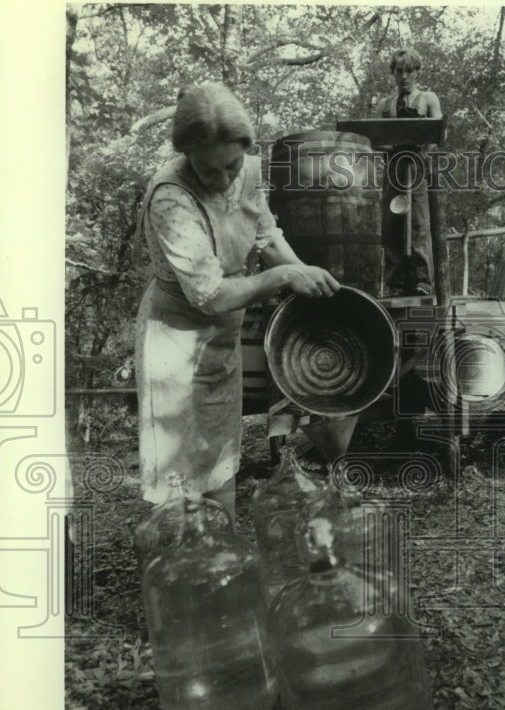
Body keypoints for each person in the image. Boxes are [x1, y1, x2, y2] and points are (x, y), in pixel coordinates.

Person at [134, 81, 339, 521]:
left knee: (221, 467)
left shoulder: (247, 169)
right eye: (211, 172)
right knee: (179, 481)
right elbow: (209, 295)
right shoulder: (170, 198)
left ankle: (222, 565)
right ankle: (179, 573)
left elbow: (265, 236)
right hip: (176, 342)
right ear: (187, 153)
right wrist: (283, 276)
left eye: (232, 164)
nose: (226, 179)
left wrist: (303, 274)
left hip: (220, 338)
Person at [375, 48, 442, 297]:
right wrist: (391, 146)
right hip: (394, 165)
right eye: (399, 71)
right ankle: (395, 283)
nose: (404, 76)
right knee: (392, 223)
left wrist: (422, 150)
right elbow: (373, 139)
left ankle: (422, 280)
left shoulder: (427, 98)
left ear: (417, 72)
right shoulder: (385, 105)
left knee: (418, 222)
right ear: (393, 73)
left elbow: (438, 132)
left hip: (416, 164)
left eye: (409, 71)